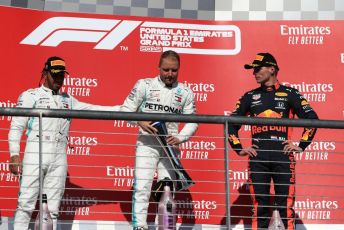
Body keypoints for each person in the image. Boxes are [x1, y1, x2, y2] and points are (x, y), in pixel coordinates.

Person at [8, 56, 120, 230]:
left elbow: (96, 109)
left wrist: (128, 110)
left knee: (52, 209)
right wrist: (14, 155)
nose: (59, 79)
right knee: (25, 205)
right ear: (45, 73)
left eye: (62, 75)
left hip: (59, 155)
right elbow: (16, 127)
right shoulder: (30, 96)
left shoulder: (68, 100)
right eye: (55, 75)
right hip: (34, 151)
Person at [228, 53, 318, 230]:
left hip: (283, 158)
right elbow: (230, 124)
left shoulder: (290, 94)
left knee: (285, 207)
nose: (254, 73)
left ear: (272, 69)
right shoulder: (249, 96)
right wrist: (238, 148)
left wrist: (301, 145)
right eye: (253, 70)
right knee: (259, 207)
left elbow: (312, 119)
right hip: (258, 159)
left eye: (258, 69)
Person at [120, 50, 198, 230]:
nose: (170, 74)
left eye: (174, 70)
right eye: (166, 70)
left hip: (170, 146)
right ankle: (140, 226)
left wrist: (180, 138)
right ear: (158, 68)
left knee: (167, 191)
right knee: (143, 187)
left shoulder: (186, 92)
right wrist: (140, 121)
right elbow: (125, 110)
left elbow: (193, 121)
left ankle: (165, 226)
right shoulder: (144, 85)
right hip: (147, 144)